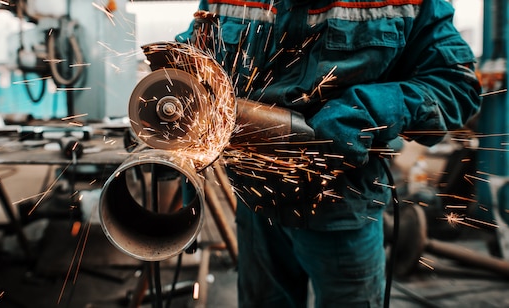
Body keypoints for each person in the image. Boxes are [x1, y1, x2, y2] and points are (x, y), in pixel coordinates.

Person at [176, 0, 482, 307]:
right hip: (256, 206)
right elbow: (196, 58)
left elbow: (457, 85)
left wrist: (368, 110)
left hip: (343, 207)